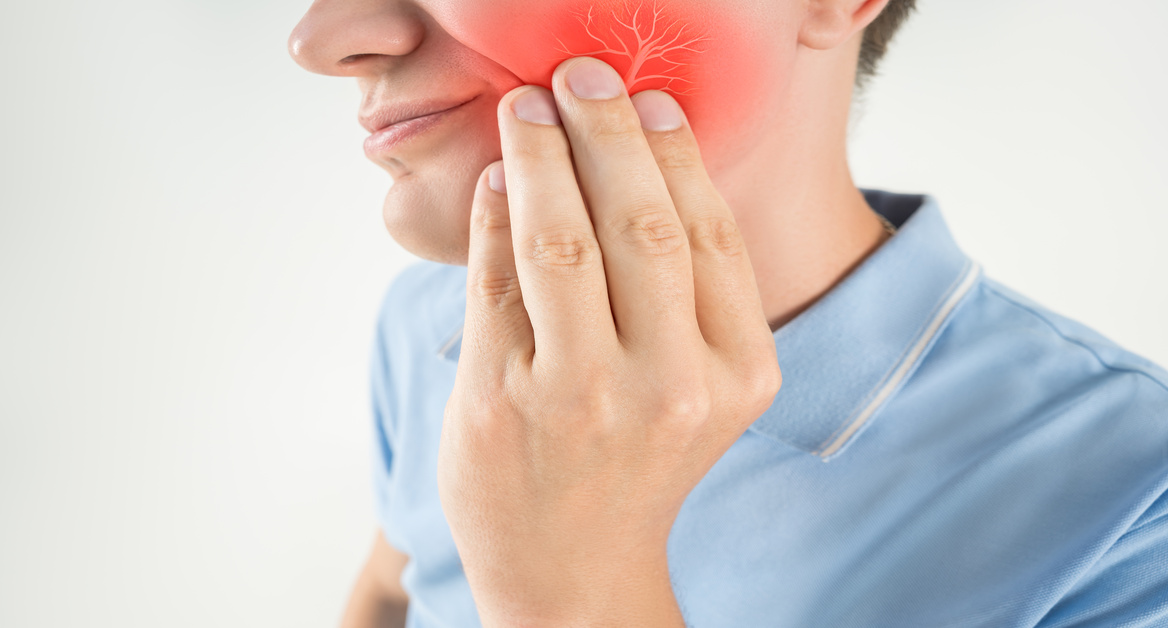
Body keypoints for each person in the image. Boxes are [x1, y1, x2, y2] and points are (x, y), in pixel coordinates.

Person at [288, 0, 1168, 626]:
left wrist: (569, 594)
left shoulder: (1133, 509)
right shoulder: (437, 325)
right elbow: (391, 588)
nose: (319, 37)